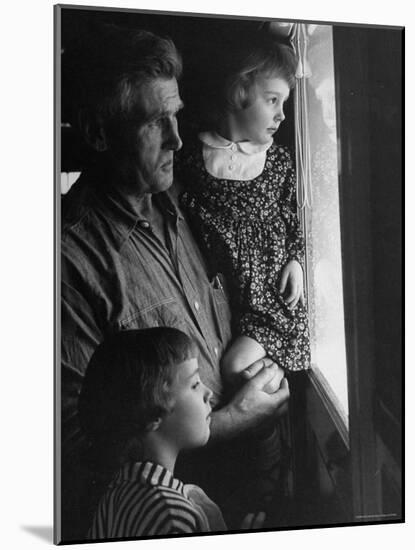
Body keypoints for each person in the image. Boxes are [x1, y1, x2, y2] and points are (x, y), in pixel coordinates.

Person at [61, 25, 289, 541]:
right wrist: (233, 418)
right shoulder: (68, 260)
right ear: (99, 134)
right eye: (153, 123)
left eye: (177, 115)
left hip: (246, 497)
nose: (178, 138)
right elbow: (79, 446)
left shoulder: (187, 200)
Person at [176, 32, 311, 388]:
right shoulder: (191, 157)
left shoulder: (277, 163)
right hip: (223, 304)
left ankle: (273, 383)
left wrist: (296, 259)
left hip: (270, 302)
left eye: (284, 102)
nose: (282, 115)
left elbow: (296, 216)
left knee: (237, 369)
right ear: (239, 92)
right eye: (272, 100)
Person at [79, 327, 266, 539]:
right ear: (152, 415)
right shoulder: (173, 518)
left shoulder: (118, 493)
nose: (208, 392)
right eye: (195, 384)